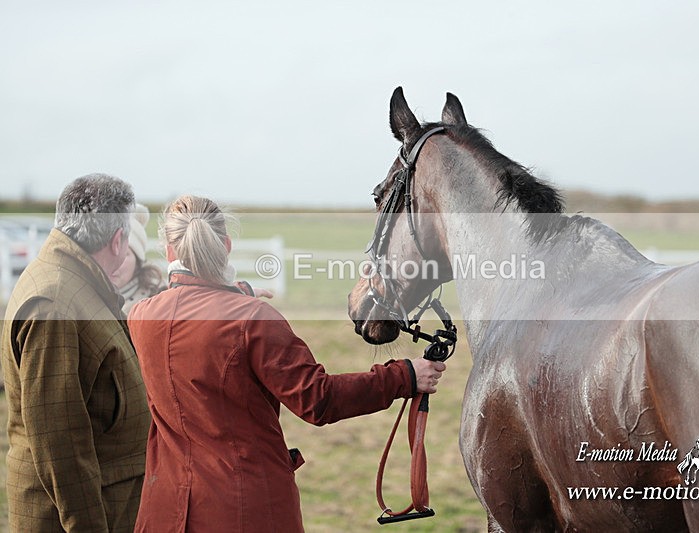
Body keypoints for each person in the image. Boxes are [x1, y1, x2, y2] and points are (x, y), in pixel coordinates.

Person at [127, 195, 446, 532]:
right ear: (227, 245)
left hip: (164, 510)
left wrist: (234, 295)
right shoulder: (254, 320)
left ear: (168, 251)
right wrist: (405, 376)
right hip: (247, 511)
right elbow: (318, 400)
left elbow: (189, 318)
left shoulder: (141, 316)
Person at [1, 174, 151, 531]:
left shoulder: (76, 281)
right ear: (117, 241)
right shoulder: (54, 306)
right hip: (79, 519)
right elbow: (59, 443)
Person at [109, 204, 167, 315]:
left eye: (124, 254)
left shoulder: (159, 303)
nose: (114, 263)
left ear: (138, 261)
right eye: (109, 252)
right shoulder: (82, 298)